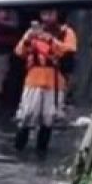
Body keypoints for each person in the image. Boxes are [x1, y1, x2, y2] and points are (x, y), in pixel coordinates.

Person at [13, 9, 78, 157]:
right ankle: (18, 151)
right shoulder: (32, 32)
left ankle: (41, 152)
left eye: (50, 14)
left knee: (48, 118)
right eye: (44, 14)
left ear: (57, 15)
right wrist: (28, 39)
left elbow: (70, 50)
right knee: (27, 116)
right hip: (33, 79)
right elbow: (19, 51)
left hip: (55, 81)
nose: (47, 18)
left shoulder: (66, 32)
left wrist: (50, 39)